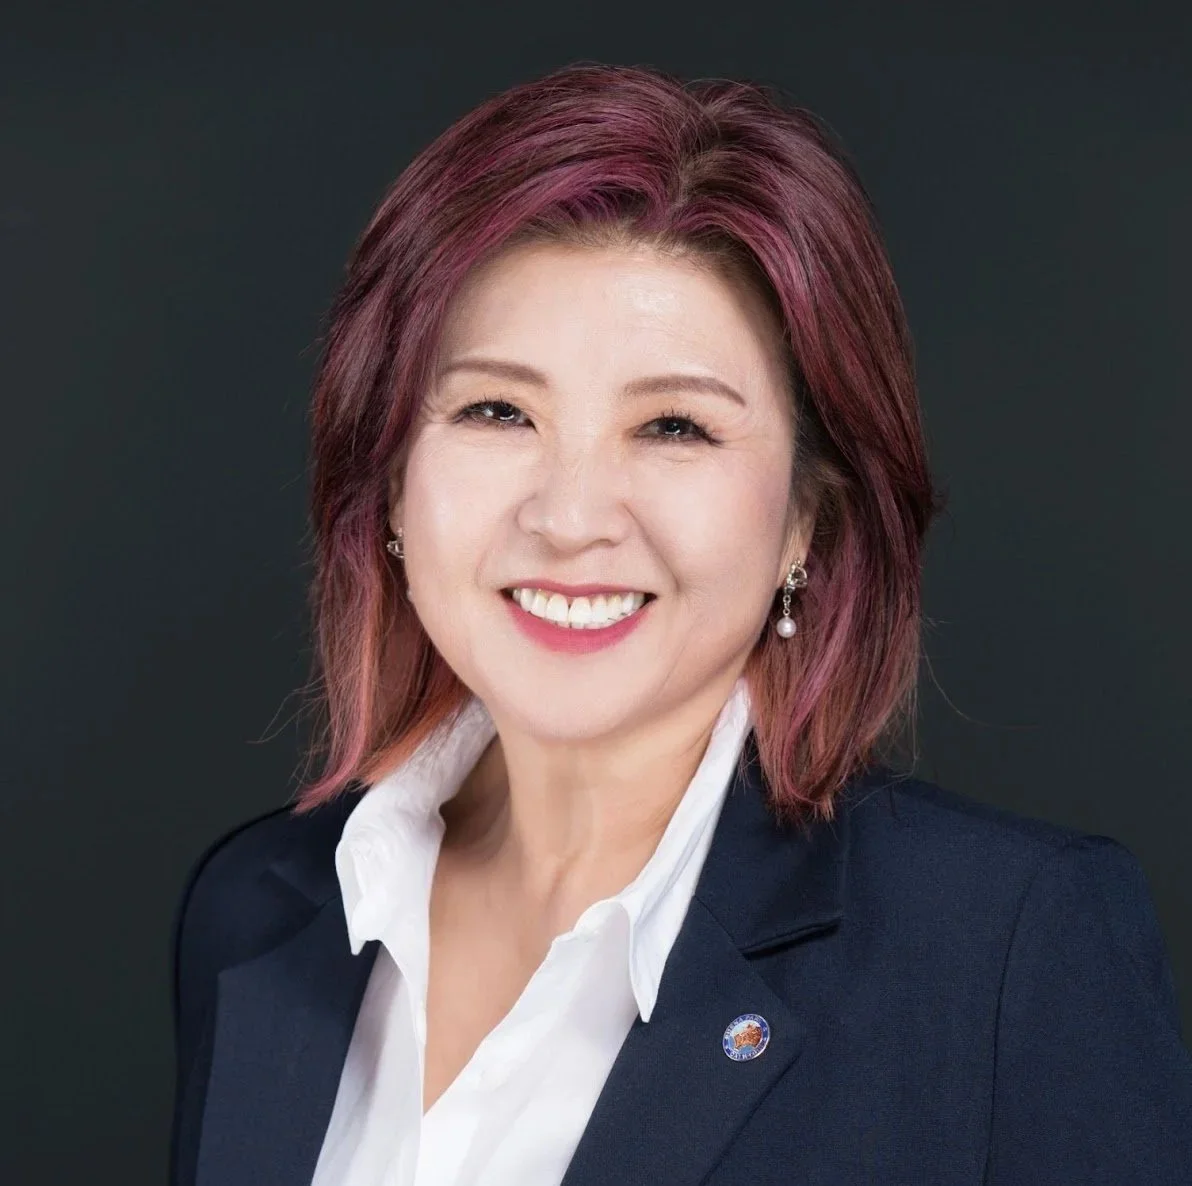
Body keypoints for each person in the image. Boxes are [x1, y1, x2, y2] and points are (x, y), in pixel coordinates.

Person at [168, 62, 1192, 1186]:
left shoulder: (1003, 953)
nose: (569, 519)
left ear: (807, 513)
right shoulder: (263, 909)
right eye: (496, 410)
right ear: (391, 476)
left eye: (674, 427)